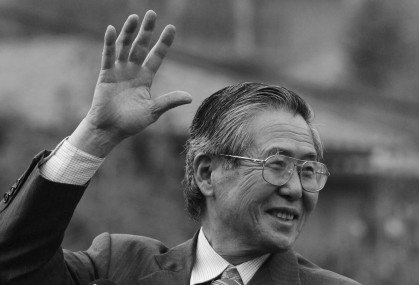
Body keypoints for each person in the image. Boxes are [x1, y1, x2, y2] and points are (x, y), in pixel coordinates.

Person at [0, 11, 361, 285]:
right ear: (207, 173)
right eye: (277, 164)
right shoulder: (117, 267)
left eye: (308, 170)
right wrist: (97, 133)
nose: (296, 188)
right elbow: (15, 264)